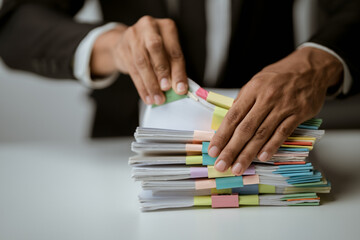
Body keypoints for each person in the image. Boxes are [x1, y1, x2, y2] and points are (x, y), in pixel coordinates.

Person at [0, 0, 359, 175]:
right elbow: (14, 25)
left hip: (270, 147)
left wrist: (321, 59)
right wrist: (111, 44)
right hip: (120, 149)